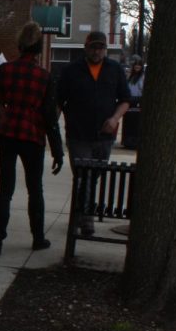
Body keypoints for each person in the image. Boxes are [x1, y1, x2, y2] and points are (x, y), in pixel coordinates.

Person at [0, 21, 64, 258]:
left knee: (5, 190)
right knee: (35, 189)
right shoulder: (44, 77)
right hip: (32, 135)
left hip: (7, 133)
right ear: (40, 48)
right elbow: (50, 116)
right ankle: (38, 238)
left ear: (20, 45)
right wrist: (58, 151)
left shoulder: (4, 71)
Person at [56, 31, 131, 237]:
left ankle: (78, 214)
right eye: (93, 47)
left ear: (105, 49)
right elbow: (58, 101)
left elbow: (125, 100)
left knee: (93, 177)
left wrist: (115, 118)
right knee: (83, 176)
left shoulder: (114, 70)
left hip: (104, 136)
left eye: (100, 47)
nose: (96, 51)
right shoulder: (71, 71)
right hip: (78, 134)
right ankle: (85, 220)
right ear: (86, 48)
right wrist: (53, 126)